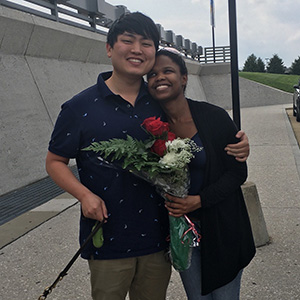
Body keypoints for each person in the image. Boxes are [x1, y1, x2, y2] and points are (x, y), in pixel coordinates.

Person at [45, 12, 250, 300]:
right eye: (128, 41)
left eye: (146, 43)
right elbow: (55, 162)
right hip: (109, 239)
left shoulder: (159, 101)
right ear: (109, 47)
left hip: (158, 238)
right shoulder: (79, 108)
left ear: (154, 52)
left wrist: (239, 143)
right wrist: (84, 196)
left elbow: (199, 130)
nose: (137, 50)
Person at [146, 49, 256, 300]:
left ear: (184, 78)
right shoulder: (149, 126)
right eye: (152, 74)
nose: (159, 77)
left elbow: (238, 172)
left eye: (167, 71)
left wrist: (200, 200)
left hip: (223, 227)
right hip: (183, 232)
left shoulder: (214, 117)